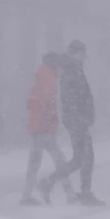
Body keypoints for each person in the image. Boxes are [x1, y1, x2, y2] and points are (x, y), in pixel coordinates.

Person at [38, 40, 104, 206]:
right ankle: (84, 192)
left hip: (77, 120)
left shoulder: (73, 69)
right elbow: (71, 98)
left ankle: (49, 182)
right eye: (82, 55)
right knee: (86, 156)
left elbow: (79, 96)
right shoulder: (70, 71)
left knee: (79, 158)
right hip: (76, 121)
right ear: (74, 54)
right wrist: (80, 117)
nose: (84, 58)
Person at [21, 53, 75, 206]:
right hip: (44, 129)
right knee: (59, 161)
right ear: (52, 62)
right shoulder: (48, 77)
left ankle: (26, 196)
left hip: (38, 127)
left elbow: (34, 102)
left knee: (35, 163)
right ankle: (69, 194)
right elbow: (47, 102)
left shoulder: (41, 76)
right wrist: (51, 123)